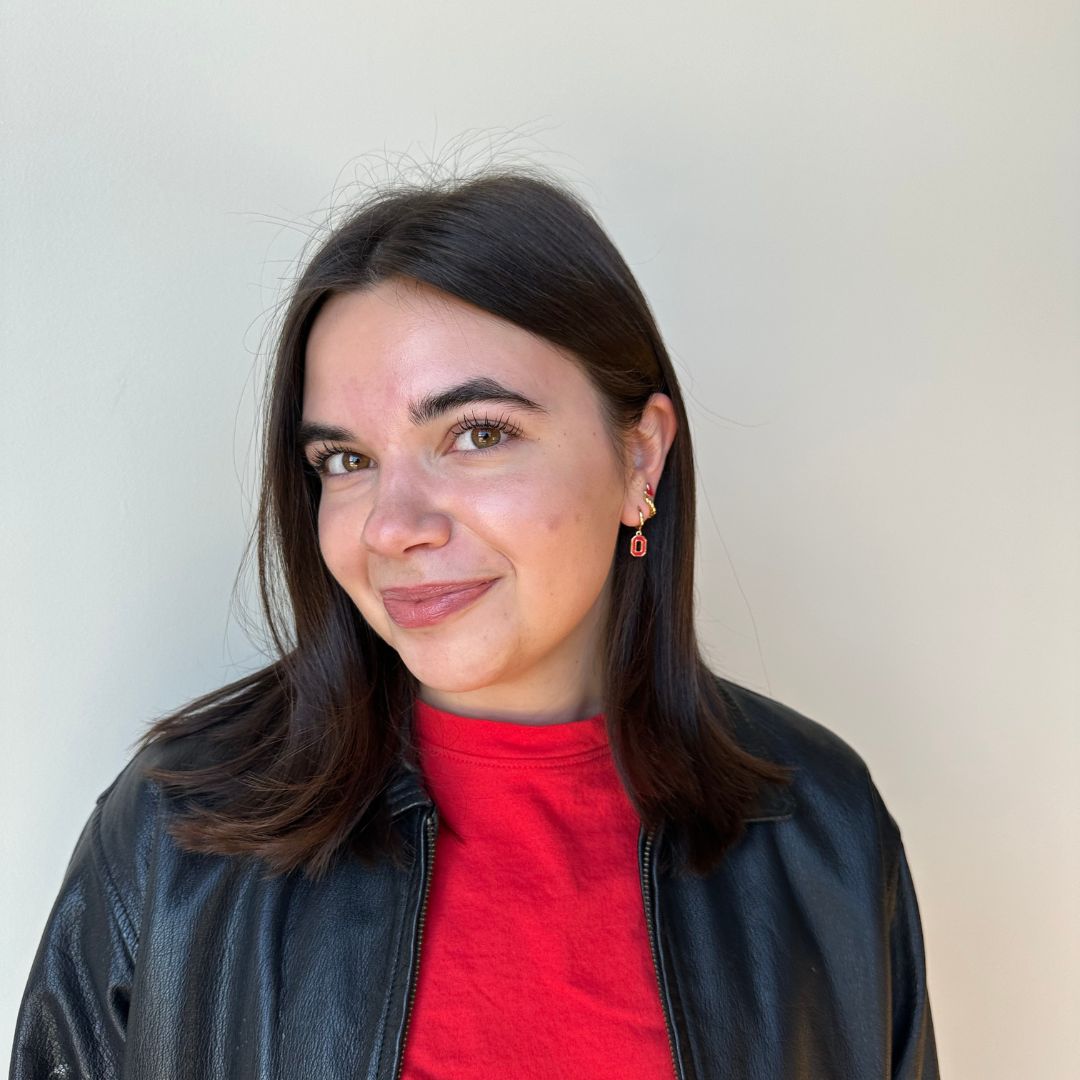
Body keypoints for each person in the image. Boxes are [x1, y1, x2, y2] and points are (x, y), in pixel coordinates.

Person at [9, 167, 939, 1079]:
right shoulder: (175, 835)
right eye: (345, 460)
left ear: (640, 457)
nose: (392, 527)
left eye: (478, 434)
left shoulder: (822, 828)